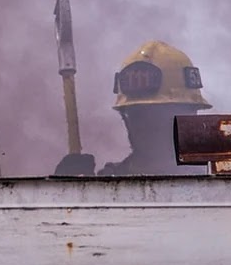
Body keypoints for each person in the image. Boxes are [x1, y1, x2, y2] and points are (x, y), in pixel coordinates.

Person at [54, 40, 211, 176]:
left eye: (160, 115)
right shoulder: (110, 187)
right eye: (139, 115)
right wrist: (72, 196)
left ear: (190, 115)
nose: (148, 127)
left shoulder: (221, 185)